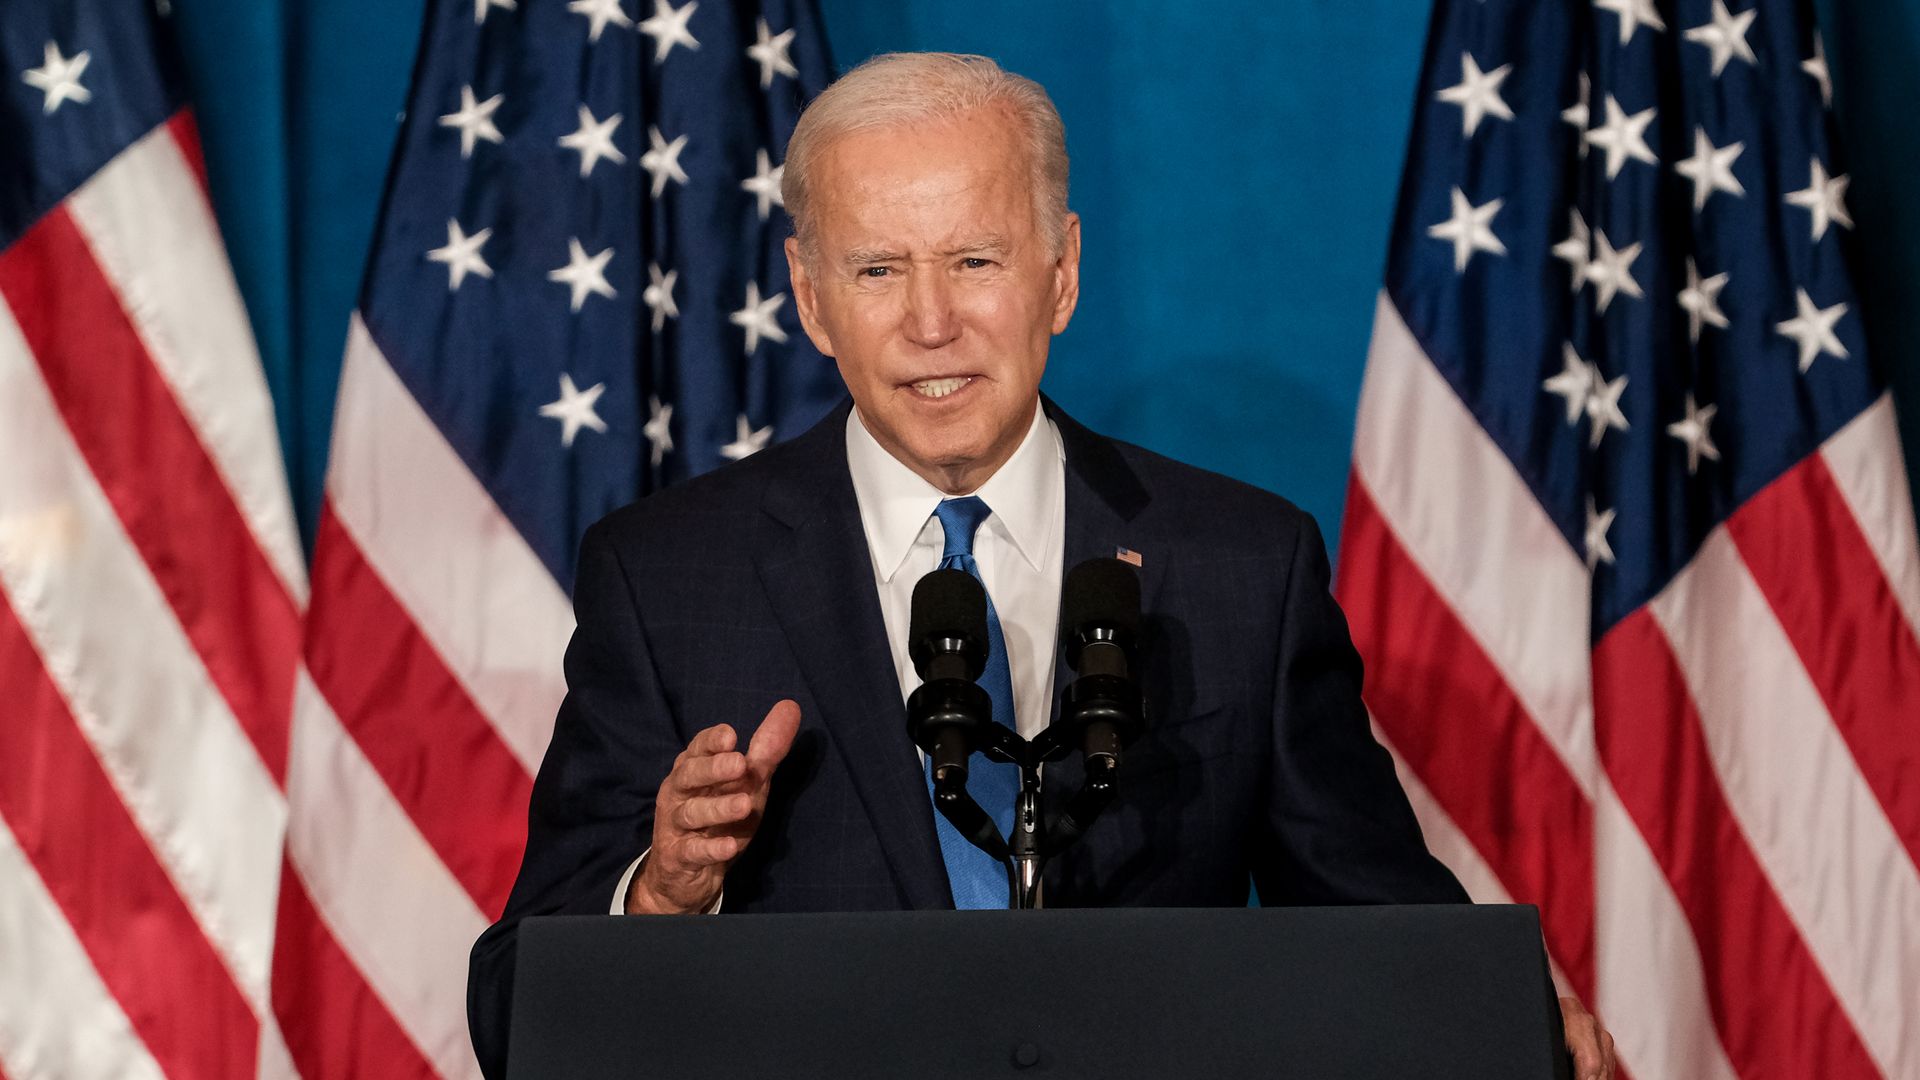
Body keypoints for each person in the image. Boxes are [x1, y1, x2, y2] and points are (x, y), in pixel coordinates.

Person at [467, 51, 1616, 1080]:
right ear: (811, 299)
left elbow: (1379, 926)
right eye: (876, 271)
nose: (932, 322)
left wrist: (1506, 1007)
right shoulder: (666, 579)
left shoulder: (1240, 567)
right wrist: (663, 895)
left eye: (974, 259)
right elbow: (517, 1005)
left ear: (1060, 272)